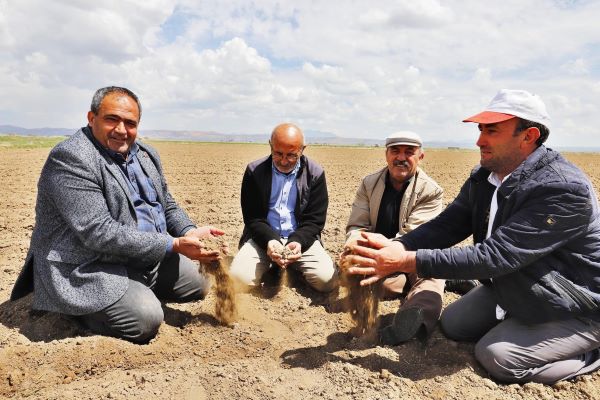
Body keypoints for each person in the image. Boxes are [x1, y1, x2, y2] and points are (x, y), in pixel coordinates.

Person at [343, 89, 600, 384]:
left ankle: (589, 354)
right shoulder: (486, 176)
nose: (479, 140)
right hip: (517, 284)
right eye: (480, 130)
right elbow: (450, 224)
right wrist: (399, 244)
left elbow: (496, 256)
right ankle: (520, 325)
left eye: (492, 131)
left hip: (577, 304)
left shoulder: (562, 189)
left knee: (498, 357)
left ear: (528, 136)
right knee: (453, 324)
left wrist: (404, 260)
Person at [10, 86, 227, 343]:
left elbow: (165, 203)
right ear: (92, 119)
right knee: (145, 319)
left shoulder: (145, 155)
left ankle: (133, 288)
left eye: (130, 123)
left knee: (198, 285)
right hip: (87, 264)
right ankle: (79, 308)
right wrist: (173, 244)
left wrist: (187, 231)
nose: (122, 130)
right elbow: (97, 232)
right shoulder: (72, 157)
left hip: (140, 256)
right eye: (112, 119)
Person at [344, 131, 445, 344]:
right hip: (379, 256)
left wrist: (387, 250)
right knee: (361, 270)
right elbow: (357, 225)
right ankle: (450, 279)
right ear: (386, 154)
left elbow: (415, 236)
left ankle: (412, 319)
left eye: (409, 152)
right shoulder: (369, 184)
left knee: (429, 278)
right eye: (395, 151)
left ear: (420, 156)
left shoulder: (431, 191)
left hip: (413, 254)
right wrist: (354, 242)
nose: (401, 157)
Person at [229, 123, 338, 292]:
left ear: (302, 150)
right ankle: (273, 267)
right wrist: (271, 241)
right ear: (270, 146)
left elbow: (314, 220)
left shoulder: (315, 173)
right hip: (263, 240)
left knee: (326, 281)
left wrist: (297, 242)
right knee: (238, 280)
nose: (284, 160)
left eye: (292, 155)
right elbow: (253, 218)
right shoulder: (254, 171)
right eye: (278, 153)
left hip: (302, 242)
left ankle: (291, 267)